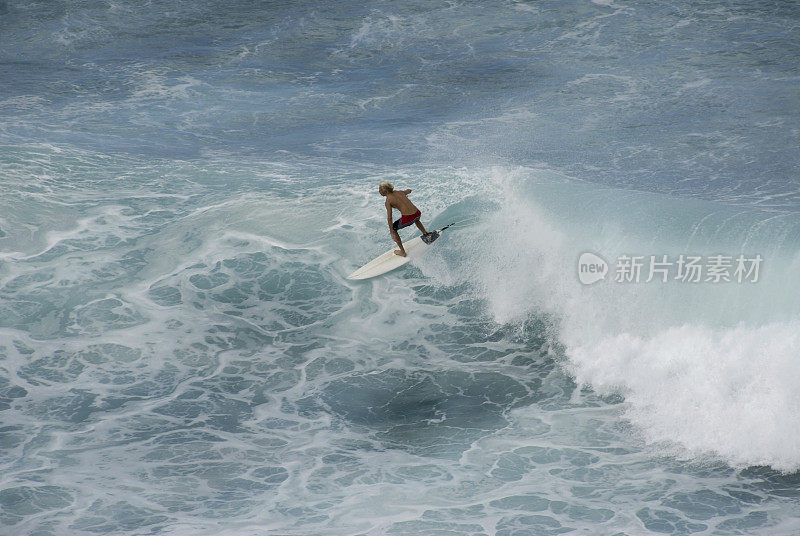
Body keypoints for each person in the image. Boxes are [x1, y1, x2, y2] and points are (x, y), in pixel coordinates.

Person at [378, 181, 428, 256]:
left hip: (408, 218)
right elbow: (408, 191)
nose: (379, 191)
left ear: (386, 190)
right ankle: (426, 234)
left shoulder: (388, 201)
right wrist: (409, 190)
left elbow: (389, 217)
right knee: (416, 220)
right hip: (417, 213)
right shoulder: (399, 192)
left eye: (380, 190)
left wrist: (391, 230)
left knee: (394, 228)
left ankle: (402, 252)